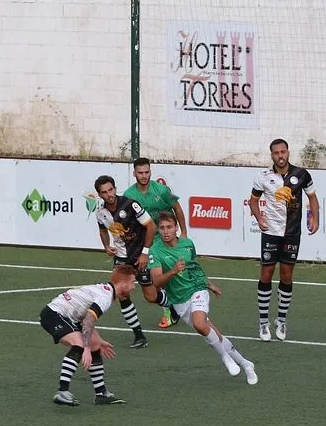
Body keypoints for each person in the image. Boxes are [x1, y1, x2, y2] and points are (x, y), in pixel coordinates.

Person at [148, 213, 258, 385]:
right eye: (162, 228)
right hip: (179, 301)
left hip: (196, 290)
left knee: (200, 324)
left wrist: (208, 284)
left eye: (169, 227)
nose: (166, 231)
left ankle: (225, 358)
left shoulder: (187, 244)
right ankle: (245, 363)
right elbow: (156, 282)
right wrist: (173, 272)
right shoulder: (155, 251)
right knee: (214, 333)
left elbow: (195, 269)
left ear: (176, 227)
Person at [248, 139, 320, 342]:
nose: (280, 156)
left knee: (287, 276)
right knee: (266, 273)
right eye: (276, 153)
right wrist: (259, 217)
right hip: (271, 232)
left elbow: (312, 197)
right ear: (271, 155)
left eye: (283, 152)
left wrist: (315, 217)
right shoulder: (263, 176)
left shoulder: (302, 175)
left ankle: (281, 320)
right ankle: (263, 323)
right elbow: (253, 200)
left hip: (292, 233)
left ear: (288, 153)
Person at [94, 175, 177, 349]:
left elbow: (151, 226)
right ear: (100, 195)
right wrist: (106, 245)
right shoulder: (101, 213)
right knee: (122, 294)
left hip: (140, 254)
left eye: (111, 190)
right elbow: (102, 230)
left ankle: (171, 306)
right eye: (104, 192)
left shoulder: (131, 204)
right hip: (122, 257)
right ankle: (139, 336)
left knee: (151, 297)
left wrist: (145, 253)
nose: (109, 194)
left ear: (115, 188)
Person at [39, 264, 138, 406]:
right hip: (54, 315)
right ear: (123, 283)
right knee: (78, 345)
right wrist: (85, 348)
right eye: (132, 282)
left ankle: (101, 394)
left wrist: (98, 340)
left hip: (66, 316)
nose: (134, 287)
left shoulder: (106, 291)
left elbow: (87, 319)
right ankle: (62, 391)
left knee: (95, 345)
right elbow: (87, 320)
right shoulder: (105, 297)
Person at [123, 157, 187, 329]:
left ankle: (171, 309)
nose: (144, 176)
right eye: (140, 173)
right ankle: (171, 306)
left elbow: (178, 208)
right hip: (145, 242)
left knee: (162, 277)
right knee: (154, 282)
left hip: (164, 238)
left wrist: (184, 233)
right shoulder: (129, 195)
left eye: (147, 172)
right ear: (134, 173)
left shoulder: (162, 190)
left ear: (151, 171)